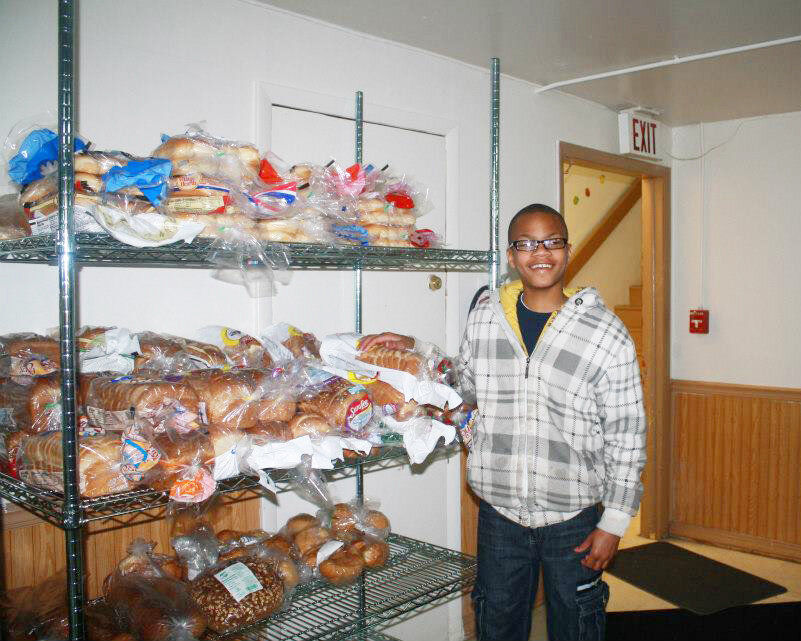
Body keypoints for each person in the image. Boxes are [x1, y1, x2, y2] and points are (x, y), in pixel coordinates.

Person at [359, 203, 647, 641]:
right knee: (497, 625)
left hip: (574, 518)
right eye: (527, 243)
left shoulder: (606, 333)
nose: (541, 253)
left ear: (568, 251)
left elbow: (627, 433)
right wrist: (416, 348)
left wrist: (614, 523)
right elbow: (466, 382)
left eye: (552, 241)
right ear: (511, 256)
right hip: (499, 515)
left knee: (578, 627)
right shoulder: (485, 316)